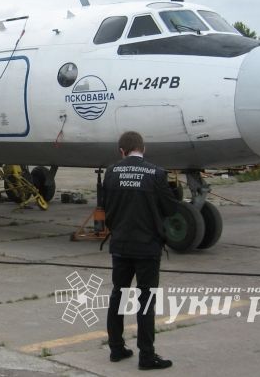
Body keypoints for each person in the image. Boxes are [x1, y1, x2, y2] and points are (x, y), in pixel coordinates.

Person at [101, 131, 175, 370]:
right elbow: (170, 208)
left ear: (121, 151)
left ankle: (116, 348)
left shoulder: (111, 173)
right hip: (147, 247)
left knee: (118, 296)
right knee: (146, 301)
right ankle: (146, 355)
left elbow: (106, 208)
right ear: (143, 149)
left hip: (120, 245)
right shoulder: (156, 173)